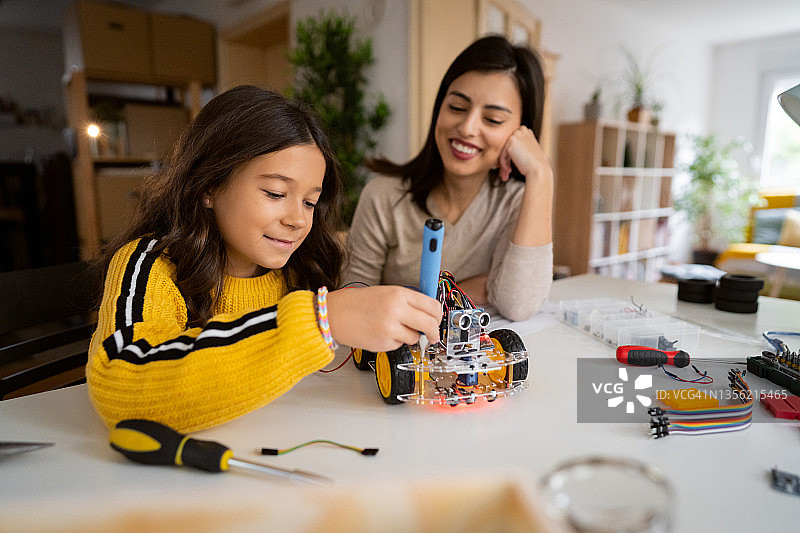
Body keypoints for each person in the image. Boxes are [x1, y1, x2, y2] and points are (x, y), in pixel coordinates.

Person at [88, 86, 442, 432]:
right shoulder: (149, 265)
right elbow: (121, 385)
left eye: (309, 202)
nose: (299, 220)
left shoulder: (307, 265)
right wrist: (322, 319)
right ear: (208, 186)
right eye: (275, 193)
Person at [343, 35, 553, 322]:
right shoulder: (383, 196)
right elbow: (351, 305)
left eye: (492, 119)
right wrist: (475, 288)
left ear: (521, 133)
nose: (467, 128)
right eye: (456, 107)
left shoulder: (518, 201)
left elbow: (518, 304)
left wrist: (541, 175)